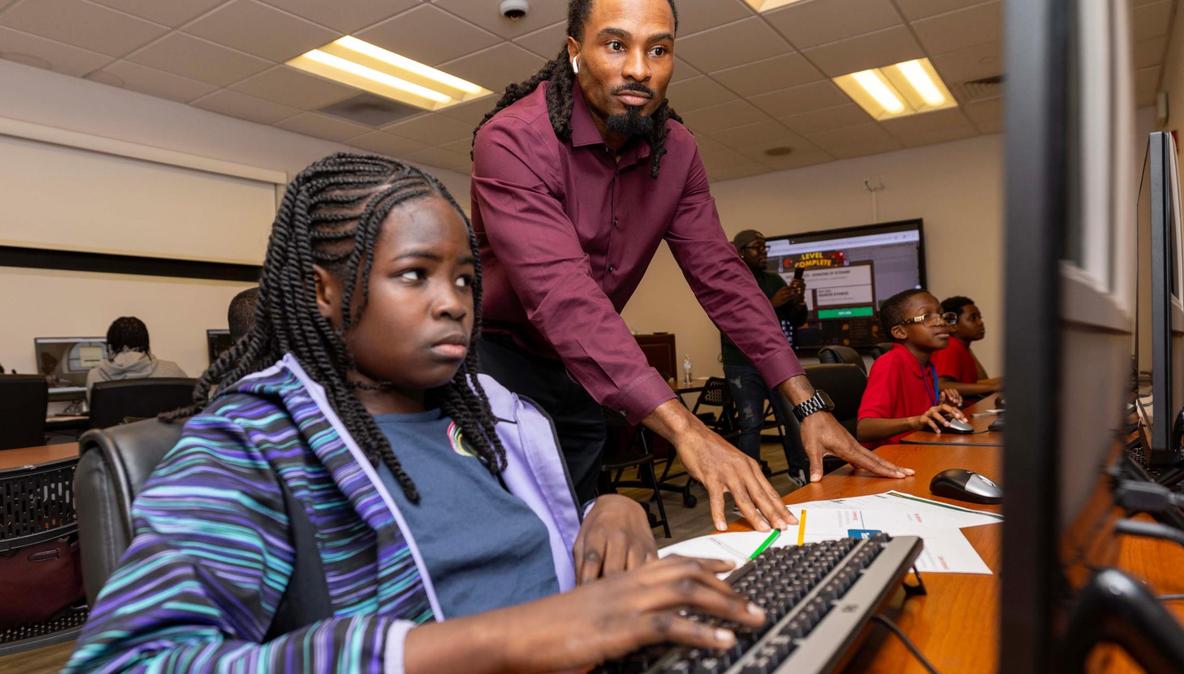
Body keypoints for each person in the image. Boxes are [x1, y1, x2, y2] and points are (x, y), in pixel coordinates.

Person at [64, 154, 764, 674]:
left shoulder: (490, 415)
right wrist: (504, 639)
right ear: (321, 292)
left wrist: (608, 510)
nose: (454, 300)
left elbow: (524, 553)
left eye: (464, 277)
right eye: (414, 274)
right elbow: (127, 664)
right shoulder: (247, 445)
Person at [470, 0, 912, 533]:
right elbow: (563, 297)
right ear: (574, 53)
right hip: (494, 360)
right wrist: (688, 430)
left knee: (574, 532)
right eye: (616, 45)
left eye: (658, 49)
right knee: (509, 538)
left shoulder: (676, 150)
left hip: (578, 368)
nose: (639, 68)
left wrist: (805, 400)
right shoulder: (512, 138)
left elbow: (722, 277)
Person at [721, 230, 810, 483]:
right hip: (741, 364)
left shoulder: (773, 279)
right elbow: (736, 323)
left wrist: (798, 300)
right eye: (756, 248)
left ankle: (799, 471)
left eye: (765, 248)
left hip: (775, 362)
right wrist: (772, 304)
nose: (763, 253)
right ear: (739, 252)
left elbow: (797, 320)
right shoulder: (731, 282)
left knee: (792, 418)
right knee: (751, 423)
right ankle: (750, 482)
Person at [857, 290, 968, 449]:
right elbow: (864, 428)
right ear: (900, 332)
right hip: (891, 459)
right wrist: (914, 421)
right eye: (927, 317)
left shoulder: (926, 366)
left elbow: (923, 415)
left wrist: (943, 409)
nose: (941, 322)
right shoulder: (890, 363)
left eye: (941, 314)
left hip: (918, 450)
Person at [85, 316, 187, 401]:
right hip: (157, 426)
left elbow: (97, 413)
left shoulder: (95, 376)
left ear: (110, 348)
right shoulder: (172, 370)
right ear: (147, 346)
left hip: (117, 426)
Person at [931, 295, 1002, 397]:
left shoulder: (962, 347)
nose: (980, 323)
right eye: (973, 318)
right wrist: (993, 387)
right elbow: (940, 385)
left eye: (980, 317)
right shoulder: (949, 346)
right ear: (952, 326)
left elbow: (979, 382)